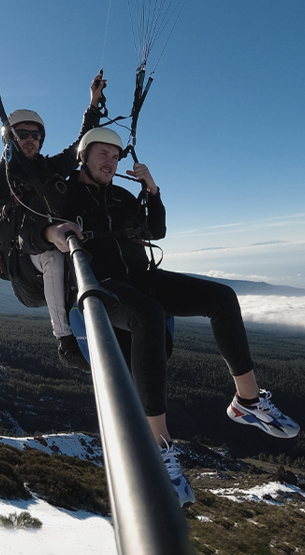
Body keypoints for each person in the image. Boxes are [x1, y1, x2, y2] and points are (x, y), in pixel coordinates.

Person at [30, 126, 300, 507]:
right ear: (83, 156)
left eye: (115, 156)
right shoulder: (61, 194)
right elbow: (28, 232)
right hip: (99, 285)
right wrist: (50, 230)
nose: (111, 161)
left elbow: (157, 229)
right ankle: (158, 443)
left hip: (142, 277)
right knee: (148, 314)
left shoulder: (123, 195)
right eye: (102, 154)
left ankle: (248, 401)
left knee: (221, 296)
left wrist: (151, 190)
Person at [0, 73, 108, 373]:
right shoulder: (0, 177)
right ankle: (66, 341)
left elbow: (78, 148)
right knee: (51, 256)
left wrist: (93, 104)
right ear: (10, 139)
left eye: (35, 135)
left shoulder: (50, 168)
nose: (30, 139)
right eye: (22, 134)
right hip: (25, 271)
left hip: (59, 258)